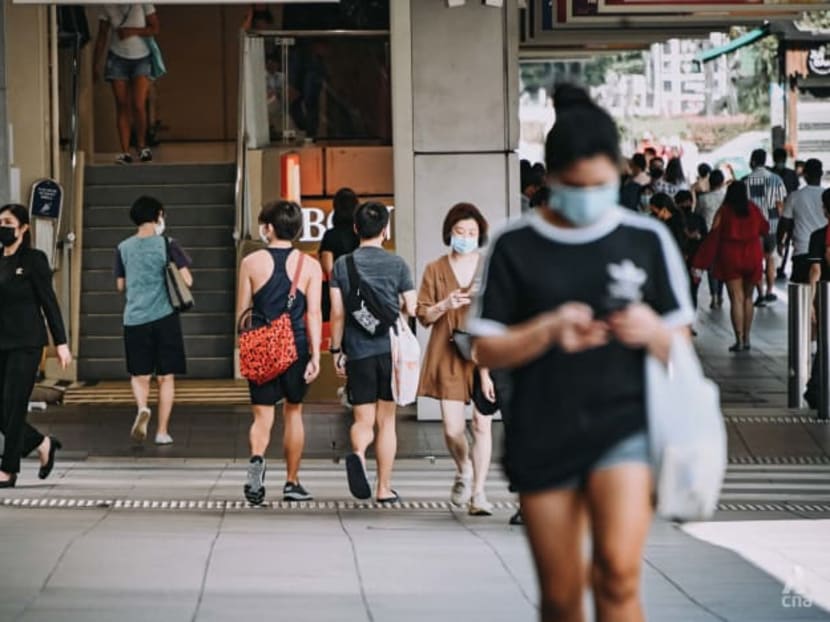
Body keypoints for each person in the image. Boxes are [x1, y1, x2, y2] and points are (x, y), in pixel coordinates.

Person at [469, 86, 694, 622]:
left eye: (602, 184)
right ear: (550, 178)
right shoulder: (514, 243)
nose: (590, 196)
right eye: (576, 186)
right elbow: (484, 345)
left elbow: (680, 344)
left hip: (627, 426)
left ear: (617, 173)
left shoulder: (646, 239)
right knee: (563, 596)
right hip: (543, 429)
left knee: (618, 575)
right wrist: (545, 330)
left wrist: (651, 332)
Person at [236, 200, 323, 504]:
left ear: (268, 228)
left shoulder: (251, 262)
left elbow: (243, 313)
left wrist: (244, 349)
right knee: (293, 412)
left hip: (260, 345)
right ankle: (292, 481)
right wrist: (314, 354)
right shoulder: (310, 265)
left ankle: (258, 459)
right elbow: (313, 314)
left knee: (262, 415)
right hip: (295, 346)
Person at [329, 202, 417, 503]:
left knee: (362, 419)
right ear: (385, 230)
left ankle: (357, 453)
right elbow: (413, 306)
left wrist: (336, 350)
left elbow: (338, 313)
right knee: (387, 421)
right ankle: (383, 488)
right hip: (390, 351)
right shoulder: (398, 264)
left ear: (356, 229)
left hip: (359, 352)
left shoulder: (342, 265)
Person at [417, 203, 496, 516]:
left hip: (484, 354)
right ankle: (463, 468)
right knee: (452, 429)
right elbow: (423, 314)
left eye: (473, 232)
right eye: (460, 232)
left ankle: (479, 493)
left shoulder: (489, 267)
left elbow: (500, 312)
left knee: (482, 425)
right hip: (448, 350)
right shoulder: (435, 269)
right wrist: (445, 304)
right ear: (449, 233)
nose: (466, 237)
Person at [0, 205, 72, 488]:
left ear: (23, 228)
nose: (2, 227)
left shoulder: (34, 260)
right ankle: (42, 444)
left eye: (7, 222)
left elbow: (49, 303)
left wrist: (61, 343)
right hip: (2, 343)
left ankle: (8, 469)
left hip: (27, 344)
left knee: (15, 405)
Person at [115, 196, 192, 445]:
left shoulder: (123, 247)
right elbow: (187, 281)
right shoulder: (167, 243)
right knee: (165, 377)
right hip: (165, 318)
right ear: (158, 215)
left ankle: (141, 408)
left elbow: (120, 285)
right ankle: (162, 432)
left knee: (140, 375)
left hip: (135, 318)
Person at [695, 181, 769, 352]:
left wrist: (701, 260)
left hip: (731, 256)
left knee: (736, 298)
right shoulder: (753, 208)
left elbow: (713, 233)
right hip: (752, 255)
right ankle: (748, 338)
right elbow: (765, 228)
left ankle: (739, 340)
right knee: (749, 298)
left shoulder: (724, 211)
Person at [93, 4, 160, 165]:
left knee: (138, 104)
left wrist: (132, 31)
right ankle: (125, 151)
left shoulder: (143, 3)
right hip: (117, 58)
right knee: (122, 104)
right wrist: (95, 64)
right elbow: (102, 35)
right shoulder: (107, 5)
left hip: (142, 57)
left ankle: (142, 146)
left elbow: (155, 28)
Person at [744, 148, 787, 306]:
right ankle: (769, 291)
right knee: (770, 260)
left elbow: (744, 207)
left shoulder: (746, 181)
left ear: (753, 161)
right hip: (772, 226)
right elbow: (780, 205)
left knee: (757, 261)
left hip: (753, 228)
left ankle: (760, 293)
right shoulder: (776, 179)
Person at [779, 159, 826, 284]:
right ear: (821, 174)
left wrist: (780, 242)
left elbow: (785, 223)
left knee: (802, 293)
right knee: (824, 294)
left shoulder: (794, 196)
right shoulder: (827, 196)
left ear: (805, 175)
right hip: (824, 251)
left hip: (802, 250)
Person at [803, 189, 830, 409]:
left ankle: (816, 390)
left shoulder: (819, 236)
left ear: (824, 210)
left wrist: (811, 300)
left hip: (826, 295)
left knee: (825, 343)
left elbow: (815, 270)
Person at [319, 188, 360, 321]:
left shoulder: (331, 235)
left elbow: (329, 269)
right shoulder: (361, 234)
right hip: (359, 292)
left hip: (336, 293)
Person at [696, 170, 727, 308]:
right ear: (722, 182)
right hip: (724, 236)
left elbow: (697, 215)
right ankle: (720, 295)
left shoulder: (703, 199)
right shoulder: (727, 198)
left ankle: (713, 296)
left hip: (708, 236)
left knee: (711, 268)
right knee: (722, 266)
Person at [676, 190, 708, 318]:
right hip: (694, 260)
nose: (686, 204)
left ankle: (687, 321)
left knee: (690, 289)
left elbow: (704, 236)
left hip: (692, 259)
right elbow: (705, 237)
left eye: (687, 201)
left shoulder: (696, 218)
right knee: (691, 290)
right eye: (683, 202)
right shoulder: (695, 218)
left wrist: (696, 236)